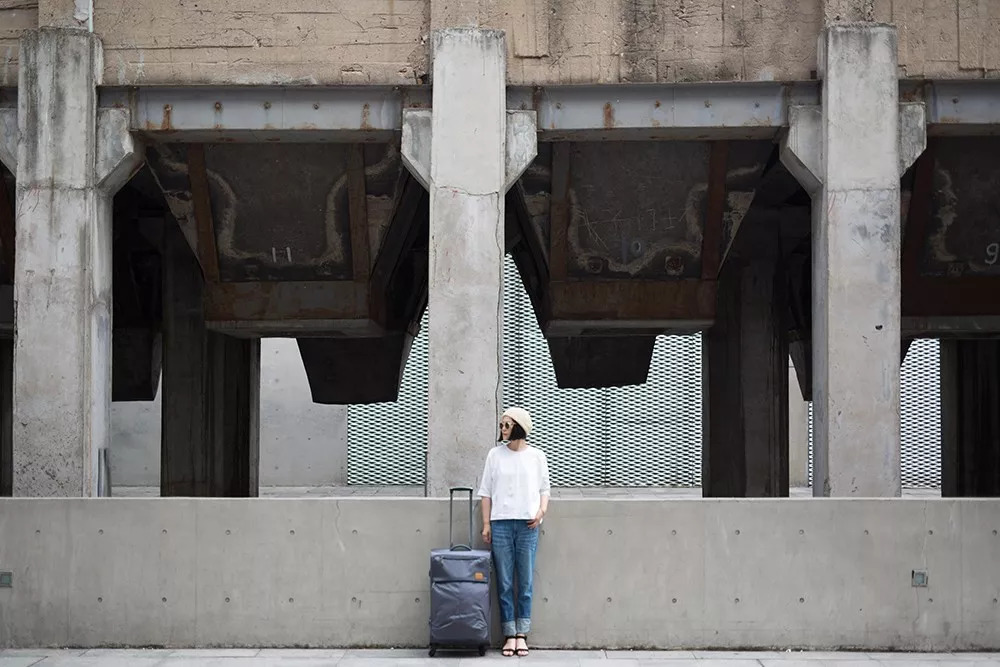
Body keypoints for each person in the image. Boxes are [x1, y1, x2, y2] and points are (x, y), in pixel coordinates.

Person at [477, 407, 550, 657]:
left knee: (526, 581)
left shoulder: (537, 456)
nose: (503, 429)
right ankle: (509, 634)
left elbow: (545, 489)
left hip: (528, 526)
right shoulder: (494, 455)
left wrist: (540, 513)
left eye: (507, 425)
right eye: (501, 425)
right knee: (505, 582)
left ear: (520, 426)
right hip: (501, 525)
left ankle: (522, 634)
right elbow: (485, 492)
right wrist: (486, 524)